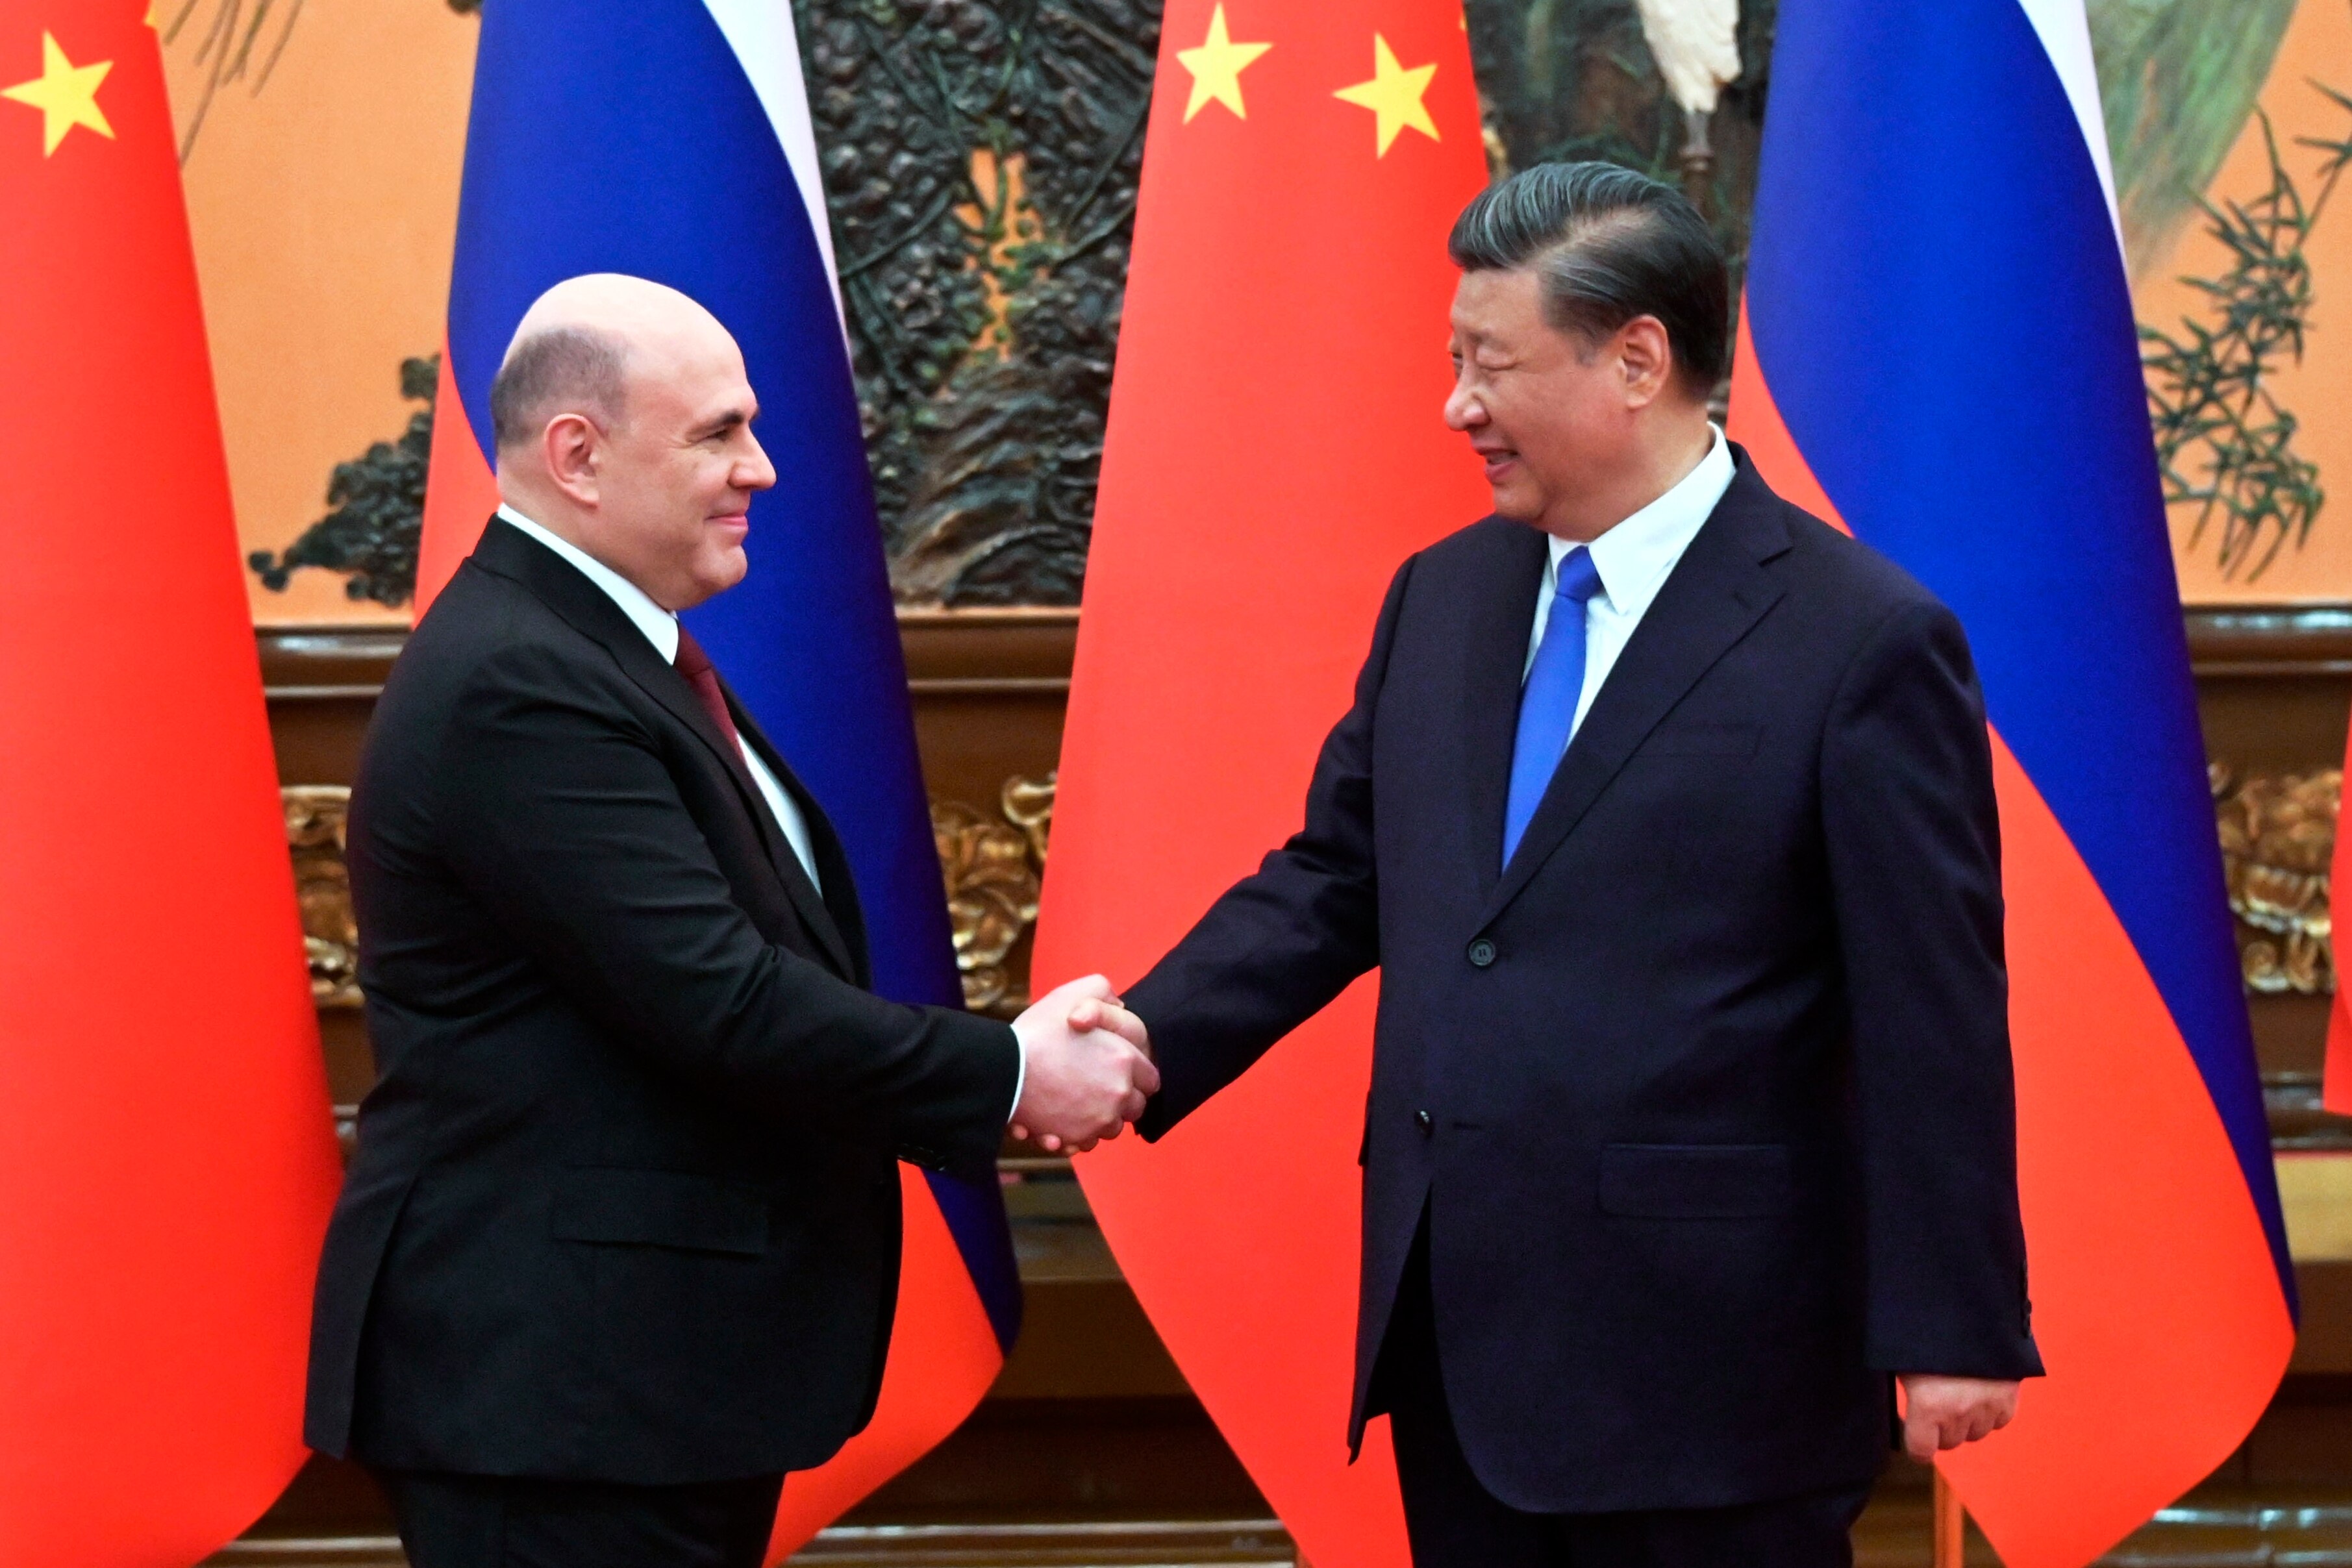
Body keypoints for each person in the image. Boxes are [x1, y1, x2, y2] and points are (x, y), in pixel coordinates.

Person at [1057, 163, 2044, 1566]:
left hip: (1715, 1374)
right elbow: (1337, 877)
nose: (1456, 406)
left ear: (1635, 360)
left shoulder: (1859, 639)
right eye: (1453, 361)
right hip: (1459, 1342)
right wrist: (1141, 1038)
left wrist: (1954, 1322)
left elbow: (1929, 1004)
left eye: (1490, 364)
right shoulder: (1443, 593)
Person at [304, 273, 1156, 1568]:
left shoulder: (603, 651)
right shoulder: (520, 680)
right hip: (558, 1396)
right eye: (717, 433)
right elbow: (722, 1000)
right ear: (577, 456)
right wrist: (1008, 1071)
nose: (760, 467)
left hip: (638, 1379)